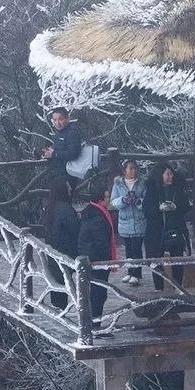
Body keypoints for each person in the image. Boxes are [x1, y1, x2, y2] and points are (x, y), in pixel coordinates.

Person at [143, 163, 191, 291]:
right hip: (156, 232)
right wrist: (159, 209)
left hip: (175, 229)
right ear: (160, 176)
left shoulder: (177, 188)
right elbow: (146, 211)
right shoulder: (152, 190)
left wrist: (176, 207)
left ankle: (178, 289)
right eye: (168, 174)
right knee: (156, 262)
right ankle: (159, 289)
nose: (171, 176)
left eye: (172, 174)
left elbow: (186, 207)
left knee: (177, 262)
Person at [77, 176, 117, 324]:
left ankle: (93, 323)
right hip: (97, 260)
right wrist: (108, 261)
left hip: (90, 257)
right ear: (101, 199)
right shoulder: (98, 218)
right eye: (107, 197)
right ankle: (95, 325)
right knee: (99, 294)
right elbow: (101, 243)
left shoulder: (92, 212)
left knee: (96, 293)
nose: (109, 200)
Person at [43, 177, 80, 310]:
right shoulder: (65, 209)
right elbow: (75, 228)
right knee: (64, 281)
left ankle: (57, 309)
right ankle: (62, 311)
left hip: (53, 249)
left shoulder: (49, 207)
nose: (70, 188)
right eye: (68, 186)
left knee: (57, 281)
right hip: (65, 250)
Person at [110, 159, 147, 282]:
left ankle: (137, 274)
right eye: (130, 168)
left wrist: (137, 201)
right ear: (124, 170)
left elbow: (146, 200)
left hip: (139, 221)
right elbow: (114, 201)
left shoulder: (142, 183)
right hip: (125, 221)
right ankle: (130, 271)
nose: (133, 171)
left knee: (137, 249)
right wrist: (124, 200)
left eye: (135, 168)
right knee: (128, 249)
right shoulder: (118, 184)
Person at [41, 107, 83, 183]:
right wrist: (48, 154)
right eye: (54, 120)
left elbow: (74, 154)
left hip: (67, 176)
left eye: (60, 119)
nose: (57, 123)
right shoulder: (58, 134)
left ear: (67, 119)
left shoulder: (72, 133)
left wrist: (54, 154)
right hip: (57, 174)